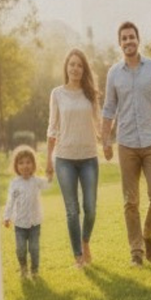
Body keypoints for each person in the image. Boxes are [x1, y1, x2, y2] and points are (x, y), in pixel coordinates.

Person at [100, 21, 151, 267]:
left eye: (132, 37)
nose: (128, 41)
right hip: (127, 144)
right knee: (130, 201)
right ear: (119, 43)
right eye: (124, 38)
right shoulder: (113, 73)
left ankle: (148, 234)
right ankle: (136, 251)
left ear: (138, 39)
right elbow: (109, 108)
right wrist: (106, 140)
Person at [47, 49, 103, 268]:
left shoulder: (91, 95)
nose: (75, 68)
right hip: (64, 159)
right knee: (72, 210)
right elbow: (52, 127)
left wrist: (108, 135)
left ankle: (85, 240)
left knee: (90, 208)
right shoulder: (57, 94)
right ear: (66, 67)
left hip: (89, 157)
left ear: (84, 69)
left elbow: (99, 124)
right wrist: (49, 161)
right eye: (72, 64)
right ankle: (78, 257)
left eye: (79, 65)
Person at [2, 145, 48, 281]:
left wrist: (51, 171)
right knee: (21, 249)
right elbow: (10, 201)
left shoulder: (37, 181)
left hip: (35, 223)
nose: (25, 166)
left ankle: (34, 271)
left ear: (33, 164)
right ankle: (23, 268)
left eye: (28, 162)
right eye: (21, 163)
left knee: (34, 249)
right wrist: (6, 217)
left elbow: (48, 183)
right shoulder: (15, 183)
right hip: (20, 225)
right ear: (16, 166)